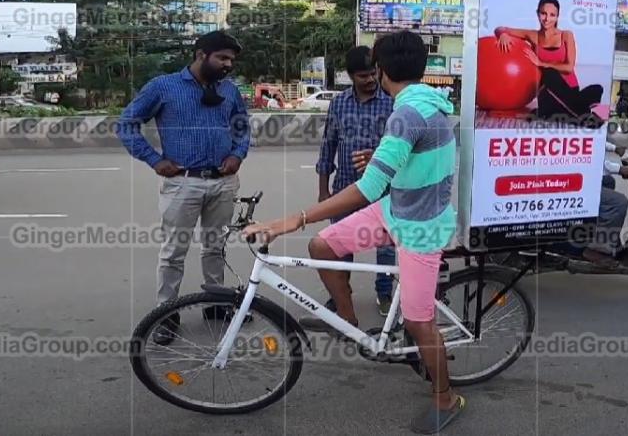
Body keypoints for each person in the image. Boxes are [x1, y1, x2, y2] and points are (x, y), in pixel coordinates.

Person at [243, 30, 464, 434]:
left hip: (422, 227)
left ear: (380, 70)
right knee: (323, 245)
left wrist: (292, 219)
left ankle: (446, 398)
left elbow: (368, 189)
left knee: (419, 321)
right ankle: (349, 323)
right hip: (395, 209)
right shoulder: (418, 104)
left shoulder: (408, 112)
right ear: (421, 67)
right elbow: (399, 158)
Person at [116, 31, 249, 345]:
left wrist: (237, 153)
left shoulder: (229, 90)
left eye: (231, 59)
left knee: (215, 247)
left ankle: (216, 305)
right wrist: (153, 159)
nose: (228, 65)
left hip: (222, 182)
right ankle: (166, 313)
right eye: (222, 58)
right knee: (174, 253)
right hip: (182, 183)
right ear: (201, 54)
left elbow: (242, 126)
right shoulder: (163, 87)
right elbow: (126, 123)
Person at [316, 45, 396, 315]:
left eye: (373, 73)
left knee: (385, 247)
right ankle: (341, 295)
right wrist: (323, 190)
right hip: (345, 188)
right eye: (363, 75)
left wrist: (378, 156)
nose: (371, 79)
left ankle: (384, 293)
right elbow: (328, 145)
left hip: (383, 189)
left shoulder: (392, 101)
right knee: (339, 245)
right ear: (350, 76)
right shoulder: (339, 103)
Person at [495, 0, 605, 126]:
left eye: (552, 15)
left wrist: (542, 63)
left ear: (557, 17)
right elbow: (501, 28)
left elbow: (569, 67)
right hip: (547, 91)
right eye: (543, 13)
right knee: (549, 74)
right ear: (538, 13)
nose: (547, 19)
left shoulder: (566, 35)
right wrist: (502, 34)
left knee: (597, 89)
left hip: (570, 90)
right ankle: (583, 118)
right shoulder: (532, 35)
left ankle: (549, 114)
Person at [584, 141, 628, 265]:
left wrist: (615, 148)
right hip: (571, 180)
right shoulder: (571, 128)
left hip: (582, 174)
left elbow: (595, 140)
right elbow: (586, 157)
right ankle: (597, 249)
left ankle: (602, 234)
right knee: (618, 203)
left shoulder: (583, 126)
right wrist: (619, 169)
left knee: (608, 181)